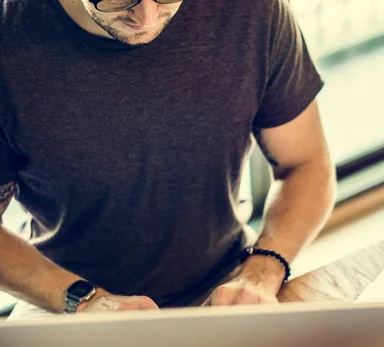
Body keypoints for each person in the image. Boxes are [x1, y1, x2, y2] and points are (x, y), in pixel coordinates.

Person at [0, 0, 335, 318]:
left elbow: (304, 164)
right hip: (62, 294)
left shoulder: (251, 10)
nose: (145, 18)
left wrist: (262, 270)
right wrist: (83, 300)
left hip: (231, 273)